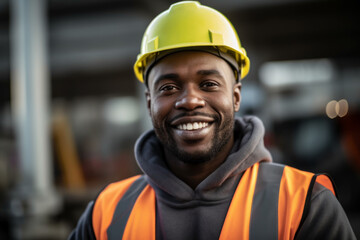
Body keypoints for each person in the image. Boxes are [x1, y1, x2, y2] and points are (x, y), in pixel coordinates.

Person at [69, 1, 356, 239]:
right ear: (149, 102)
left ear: (236, 97)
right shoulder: (107, 215)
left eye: (208, 84)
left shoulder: (303, 204)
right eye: (168, 88)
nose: (189, 100)